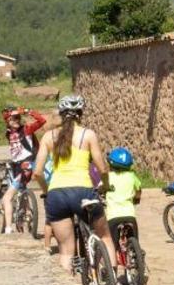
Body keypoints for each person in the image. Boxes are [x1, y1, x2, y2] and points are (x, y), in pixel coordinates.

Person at [32, 95, 116, 275]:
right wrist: (105, 185)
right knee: (105, 236)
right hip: (83, 190)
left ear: (61, 114)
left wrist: (48, 191)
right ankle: (112, 281)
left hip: (57, 194)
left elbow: (37, 172)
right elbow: (102, 168)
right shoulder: (88, 134)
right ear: (81, 114)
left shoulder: (48, 136)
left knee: (65, 250)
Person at [1, 105, 54, 233]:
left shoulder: (27, 129)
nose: (16, 120)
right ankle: (22, 213)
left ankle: (8, 229)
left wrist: (27, 111)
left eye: (18, 118)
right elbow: (16, 152)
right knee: (21, 191)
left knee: (6, 198)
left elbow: (41, 121)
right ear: (7, 121)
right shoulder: (8, 133)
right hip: (17, 166)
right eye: (13, 118)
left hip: (26, 166)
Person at [104, 146, 142, 241]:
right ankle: (136, 252)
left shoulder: (108, 177)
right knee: (134, 239)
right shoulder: (132, 176)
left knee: (112, 245)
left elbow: (101, 188)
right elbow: (138, 190)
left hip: (113, 217)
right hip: (130, 215)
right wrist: (136, 200)